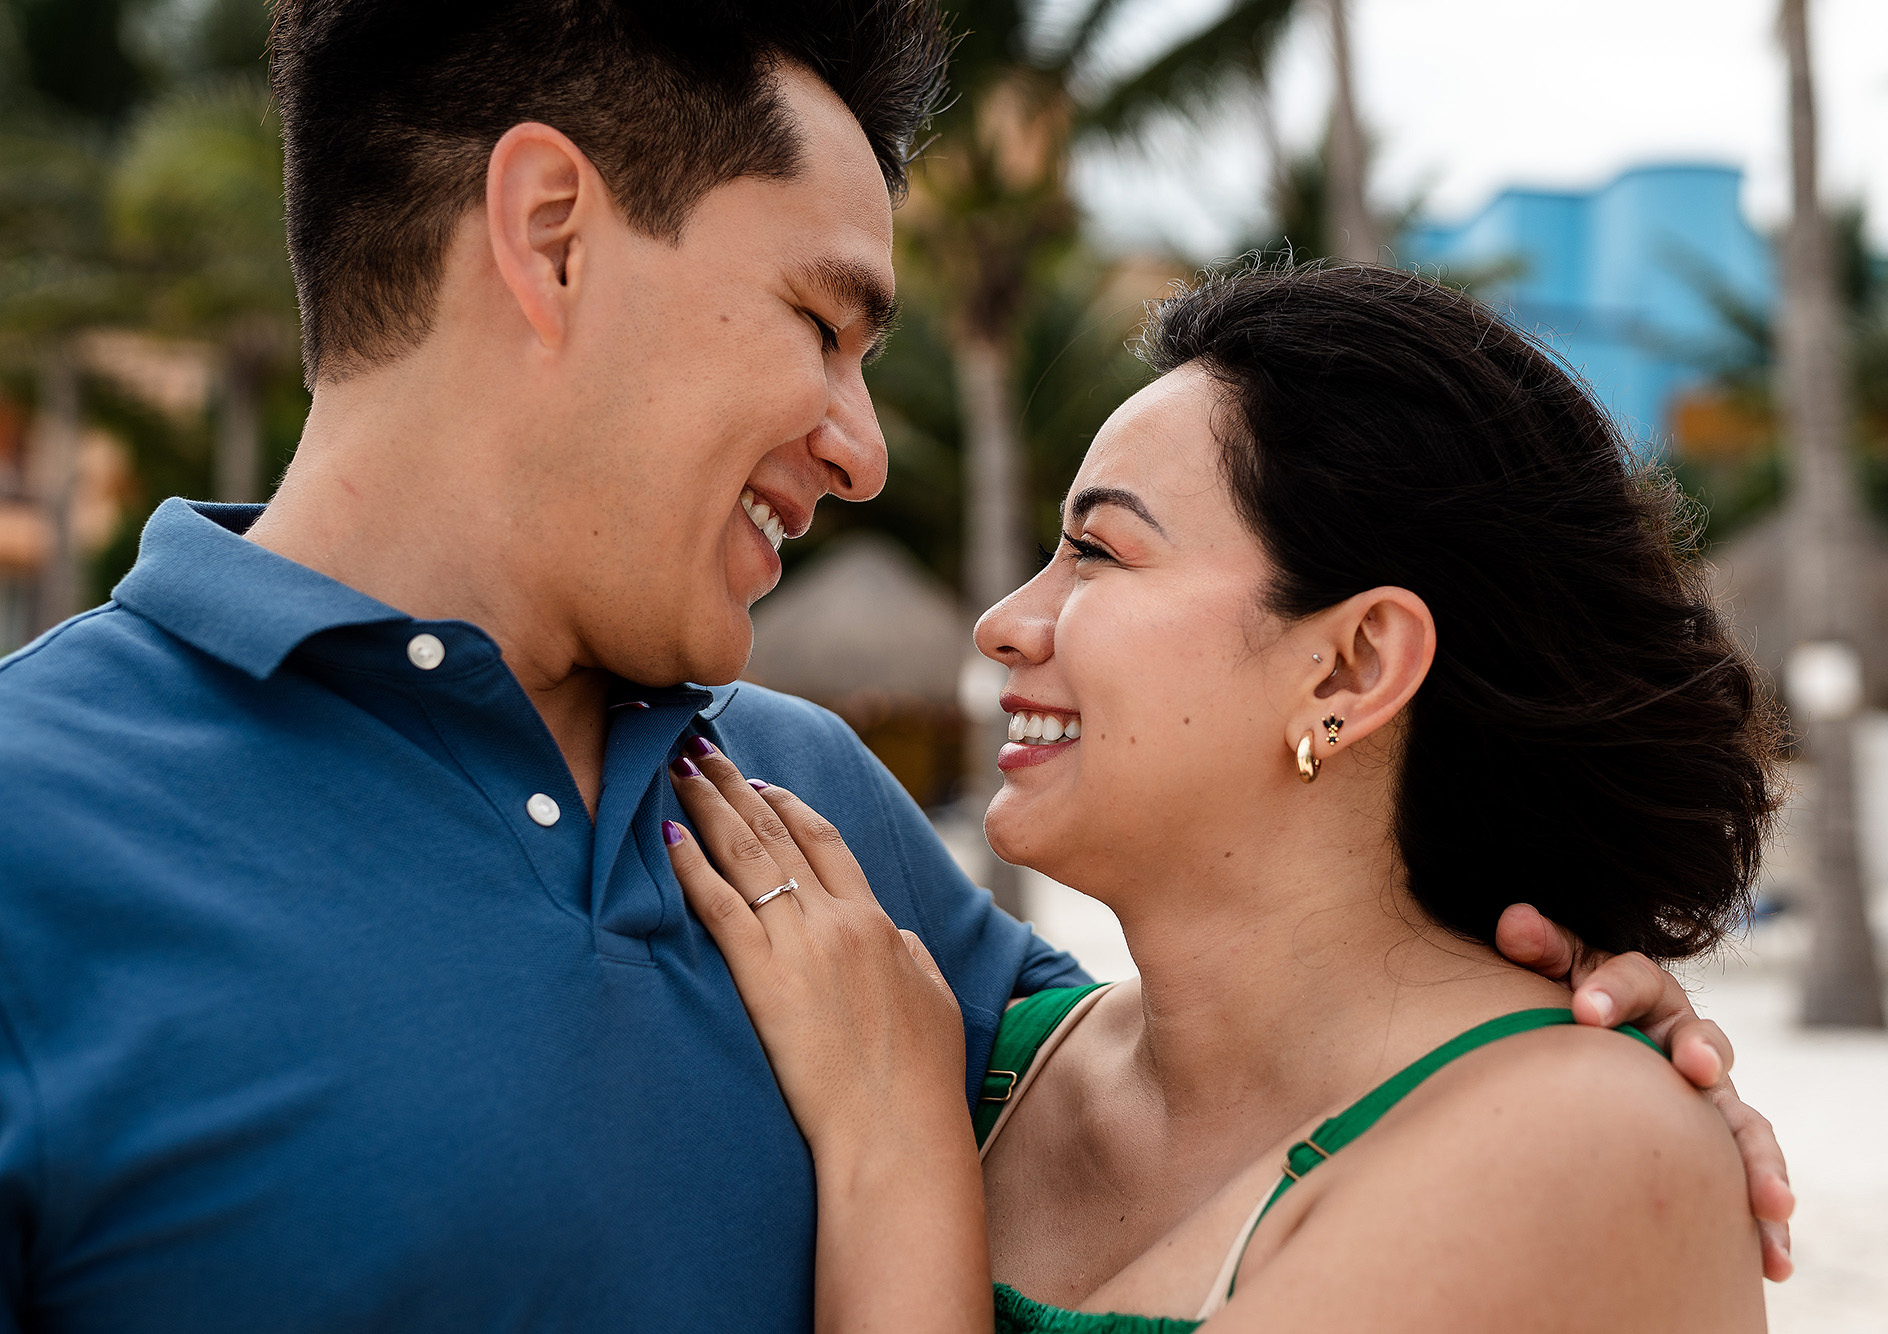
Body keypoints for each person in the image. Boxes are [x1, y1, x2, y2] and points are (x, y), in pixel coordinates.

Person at [0, 3, 1785, 1328]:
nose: (859, 447)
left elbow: (1251, 1066)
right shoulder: (34, 836)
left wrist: (1585, 1054)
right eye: (821, 321)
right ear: (549, 233)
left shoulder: (794, 809)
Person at [661, 262, 1786, 1332]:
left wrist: (896, 1153)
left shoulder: (1576, 1142)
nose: (1004, 619)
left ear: (1349, 665)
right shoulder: (982, 1046)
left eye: (1096, 550)